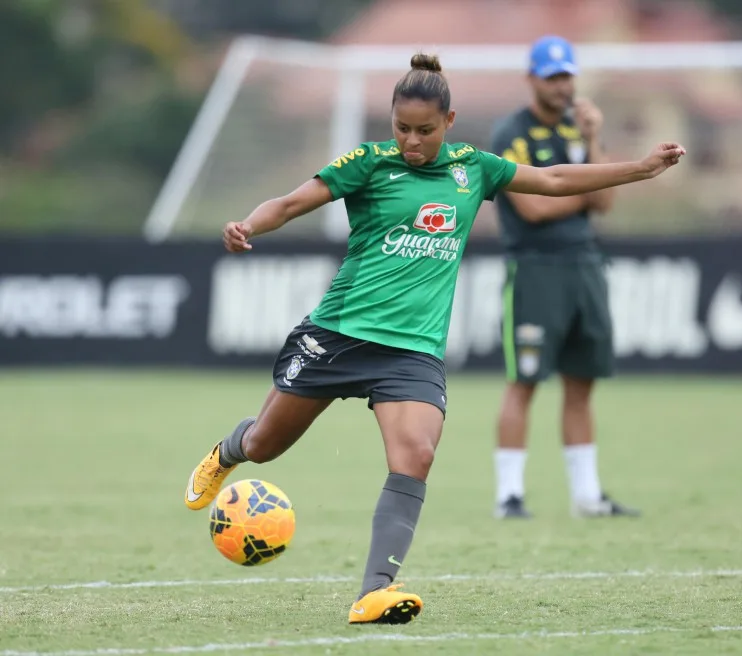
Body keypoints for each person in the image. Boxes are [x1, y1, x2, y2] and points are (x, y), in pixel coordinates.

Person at [183, 52, 685, 626]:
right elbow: (294, 202)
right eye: (402, 128)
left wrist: (639, 169)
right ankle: (228, 451)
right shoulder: (369, 163)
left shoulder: (474, 167)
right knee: (267, 443)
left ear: (450, 121)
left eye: (425, 131)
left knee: (416, 456)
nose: (412, 141)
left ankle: (373, 592)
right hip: (339, 334)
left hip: (412, 351)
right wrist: (249, 224)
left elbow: (551, 180)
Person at [490, 36, 639, 520]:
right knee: (524, 382)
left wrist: (594, 140)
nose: (561, 85)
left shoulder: (580, 131)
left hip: (584, 266)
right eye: (552, 76)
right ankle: (509, 495)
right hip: (535, 270)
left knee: (582, 383)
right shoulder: (511, 134)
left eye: (567, 75)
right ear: (532, 79)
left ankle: (588, 497)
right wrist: (585, 190)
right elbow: (533, 207)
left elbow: (608, 201)